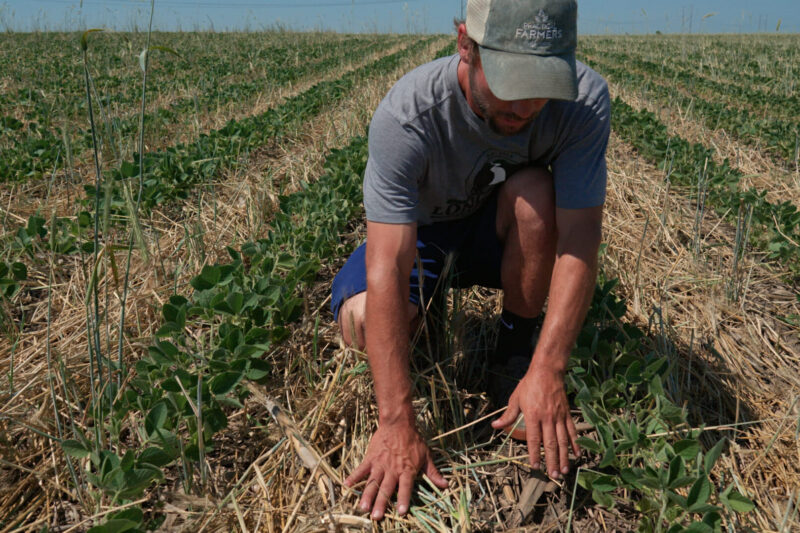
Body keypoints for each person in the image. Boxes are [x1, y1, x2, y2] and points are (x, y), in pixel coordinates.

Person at [330, 0, 610, 521]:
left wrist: (548, 367)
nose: (526, 107)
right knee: (362, 324)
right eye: (510, 82)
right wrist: (394, 422)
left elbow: (579, 237)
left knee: (536, 195)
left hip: (495, 230)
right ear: (466, 45)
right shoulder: (407, 115)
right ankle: (424, 319)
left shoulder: (584, 104)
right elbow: (389, 262)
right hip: (423, 235)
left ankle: (512, 352)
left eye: (543, 84)